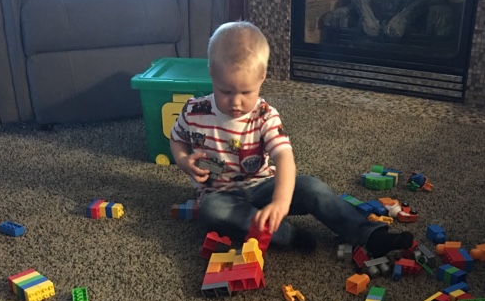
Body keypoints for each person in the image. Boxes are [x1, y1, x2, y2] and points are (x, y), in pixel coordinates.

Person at [169, 21, 413, 256]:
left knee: (312, 187)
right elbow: (177, 138)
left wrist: (280, 201)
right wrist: (182, 160)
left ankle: (369, 234)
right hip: (220, 195)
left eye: (246, 92)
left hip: (264, 186)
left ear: (262, 77)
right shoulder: (194, 110)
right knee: (211, 212)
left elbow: (284, 156)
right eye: (226, 91)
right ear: (212, 73)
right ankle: (287, 235)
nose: (236, 101)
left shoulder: (264, 115)